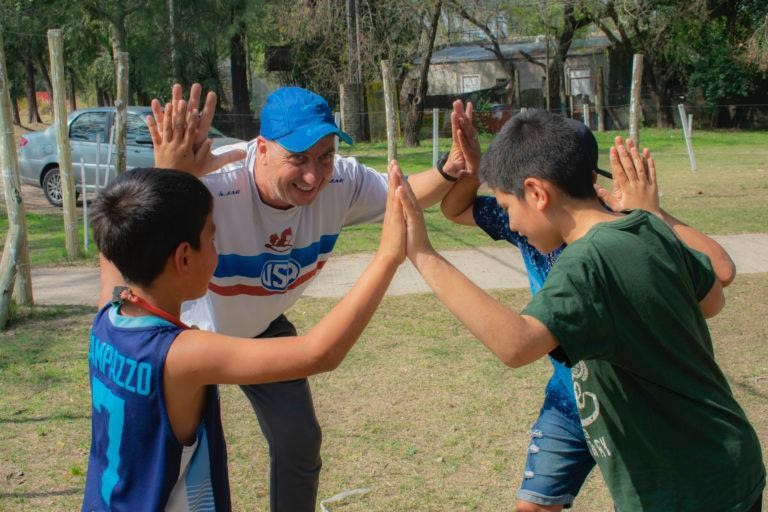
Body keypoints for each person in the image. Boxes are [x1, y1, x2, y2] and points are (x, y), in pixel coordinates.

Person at [98, 84, 479, 511]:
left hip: (262, 326)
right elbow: (131, 230)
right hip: (189, 336)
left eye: (325, 156)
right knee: (179, 461)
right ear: (261, 148)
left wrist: (449, 169)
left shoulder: (340, 181)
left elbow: (401, 196)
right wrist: (170, 175)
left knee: (299, 440)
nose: (314, 176)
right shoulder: (209, 183)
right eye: (298, 158)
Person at [398, 109, 764, 511]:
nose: (512, 224)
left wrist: (422, 253)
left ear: (537, 193)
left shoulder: (585, 261)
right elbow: (713, 301)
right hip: (729, 461)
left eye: (508, 206)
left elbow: (517, 344)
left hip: (684, 491)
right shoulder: (648, 227)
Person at [84, 156, 412, 510]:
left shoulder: (107, 316)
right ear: (184, 258)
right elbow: (319, 353)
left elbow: (114, 242)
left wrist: (172, 172)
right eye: (213, 238)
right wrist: (388, 256)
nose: (217, 249)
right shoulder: (181, 354)